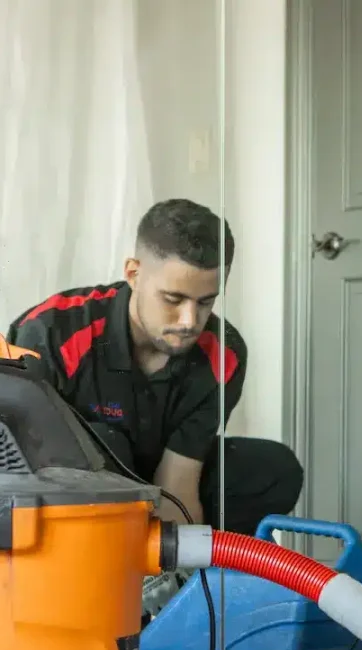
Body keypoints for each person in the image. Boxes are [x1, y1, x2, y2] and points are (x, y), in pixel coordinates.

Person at [8, 197, 303, 538]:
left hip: (156, 474)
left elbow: (178, 484)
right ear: (133, 274)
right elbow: (21, 474)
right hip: (69, 498)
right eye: (173, 299)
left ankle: (194, 566)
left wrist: (179, 556)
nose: (189, 321)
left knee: (274, 469)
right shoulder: (50, 333)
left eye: (205, 302)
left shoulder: (224, 353)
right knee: (106, 444)